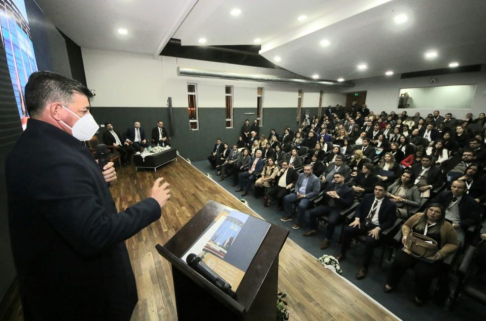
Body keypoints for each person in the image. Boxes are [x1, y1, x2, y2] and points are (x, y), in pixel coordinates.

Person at [6, 71, 171, 320]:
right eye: (83, 111)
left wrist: (97, 180)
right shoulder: (51, 160)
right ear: (57, 110)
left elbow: (68, 202)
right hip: (81, 299)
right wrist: (152, 204)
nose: (90, 118)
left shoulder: (39, 145)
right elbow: (95, 232)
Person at [384, 204, 458, 306]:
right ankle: (391, 283)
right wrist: (405, 235)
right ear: (427, 210)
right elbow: (406, 225)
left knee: (423, 273)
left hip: (430, 255)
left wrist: (441, 253)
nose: (432, 213)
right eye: (431, 210)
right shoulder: (418, 216)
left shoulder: (447, 226)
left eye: (437, 212)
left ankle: (420, 295)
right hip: (411, 249)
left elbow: (453, 244)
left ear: (442, 214)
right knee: (398, 261)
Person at [337, 182, 397, 280]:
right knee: (348, 230)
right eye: (376, 189)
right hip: (364, 223)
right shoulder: (368, 197)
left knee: (370, 241)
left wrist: (379, 228)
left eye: (380, 190)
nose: (377, 192)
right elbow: (359, 208)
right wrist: (357, 219)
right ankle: (342, 253)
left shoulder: (390, 205)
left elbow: (391, 221)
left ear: (385, 192)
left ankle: (364, 267)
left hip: (376, 226)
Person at [303, 172, 354, 248]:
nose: (335, 179)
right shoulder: (331, 184)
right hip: (327, 205)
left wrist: (338, 197)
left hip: (337, 209)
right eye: (334, 177)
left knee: (331, 221)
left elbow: (348, 203)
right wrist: (328, 193)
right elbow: (323, 193)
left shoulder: (348, 190)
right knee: (313, 212)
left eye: (337, 177)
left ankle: (327, 239)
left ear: (343, 178)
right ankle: (313, 229)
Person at [281, 165, 321, 230]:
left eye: (308, 170)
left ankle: (298, 222)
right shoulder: (301, 175)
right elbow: (297, 184)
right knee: (286, 198)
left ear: (312, 170)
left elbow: (316, 192)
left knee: (301, 206)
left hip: (306, 196)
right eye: (305, 170)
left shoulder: (316, 179)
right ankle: (289, 215)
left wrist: (305, 196)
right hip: (298, 193)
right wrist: (297, 191)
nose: (306, 171)